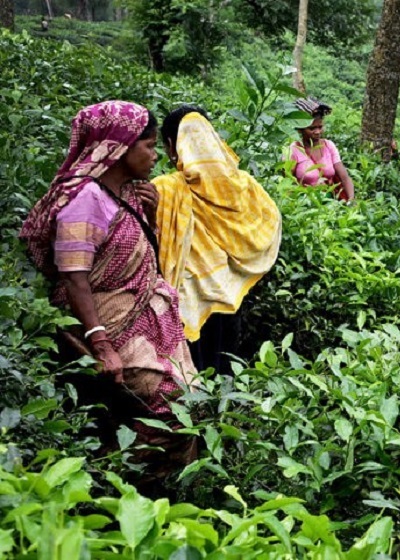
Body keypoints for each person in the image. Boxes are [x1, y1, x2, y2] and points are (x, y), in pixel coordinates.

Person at [19, 101, 198, 496]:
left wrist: (148, 216)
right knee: (170, 410)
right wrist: (101, 343)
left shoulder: (129, 193)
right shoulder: (85, 199)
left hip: (146, 319)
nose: (156, 156)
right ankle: (119, 489)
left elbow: (134, 254)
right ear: (119, 148)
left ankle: (158, 495)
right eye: (149, 146)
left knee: (190, 402)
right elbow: (75, 275)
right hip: (108, 323)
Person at [153, 105, 281, 375]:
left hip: (189, 299)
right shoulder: (243, 184)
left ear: (170, 145)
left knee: (193, 373)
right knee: (224, 367)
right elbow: (269, 223)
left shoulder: (165, 188)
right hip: (228, 288)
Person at [287, 97, 356, 202]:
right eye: (312, 128)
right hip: (305, 204)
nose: (317, 132)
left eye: (320, 127)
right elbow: (287, 184)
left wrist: (351, 199)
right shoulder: (293, 150)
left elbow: (344, 177)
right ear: (300, 129)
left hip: (331, 203)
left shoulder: (329, 146)